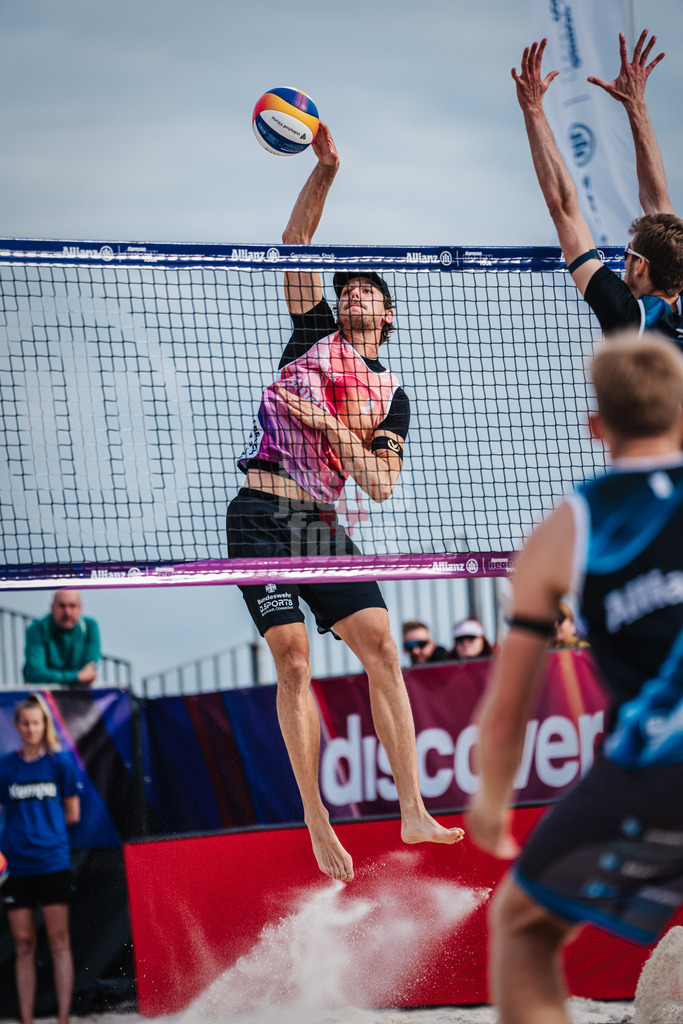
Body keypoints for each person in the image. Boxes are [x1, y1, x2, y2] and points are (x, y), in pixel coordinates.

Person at [226, 122, 464, 882]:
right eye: (349, 288)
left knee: (384, 649)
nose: (353, 292)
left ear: (386, 317)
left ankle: (413, 809)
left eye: (369, 292)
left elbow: (380, 485)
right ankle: (316, 817)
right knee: (292, 664)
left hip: (321, 525)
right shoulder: (311, 336)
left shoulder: (391, 393)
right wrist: (326, 168)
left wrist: (328, 425)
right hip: (260, 515)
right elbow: (295, 241)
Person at [466, 331, 683, 1024]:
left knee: (523, 928)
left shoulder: (566, 527)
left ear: (596, 427)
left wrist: (492, 805)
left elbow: (506, 715)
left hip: (655, 771)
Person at [513, 31, 683, 344]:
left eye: (628, 254)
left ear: (641, 266)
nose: (624, 263)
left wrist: (532, 108)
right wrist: (636, 103)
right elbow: (657, 202)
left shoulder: (630, 319)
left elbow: (562, 206)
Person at [0, 694, 83, 1024]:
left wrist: (45, 833)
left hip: (52, 862)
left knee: (58, 940)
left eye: (37, 722)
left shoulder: (60, 763)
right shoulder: (6, 766)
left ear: (44, 724)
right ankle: (27, 1019)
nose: (31, 728)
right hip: (17, 866)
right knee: (23, 943)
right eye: (25, 723)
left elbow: (73, 813)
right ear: (18, 726)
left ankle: (63, 1018)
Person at [23, 590, 100, 687]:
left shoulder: (90, 626)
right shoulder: (37, 629)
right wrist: (77, 677)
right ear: (52, 607)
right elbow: (36, 674)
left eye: (72, 606)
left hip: (79, 694)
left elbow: (90, 672)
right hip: (43, 696)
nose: (67, 612)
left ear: (80, 607)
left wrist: (53, 677)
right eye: (62, 606)